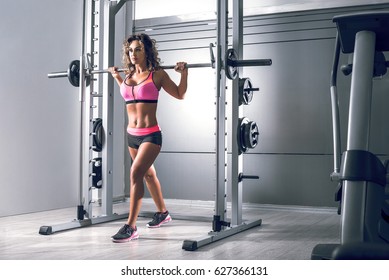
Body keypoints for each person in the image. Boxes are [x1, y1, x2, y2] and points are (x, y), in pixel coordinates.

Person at [108, 33, 188, 243]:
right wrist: (116, 77)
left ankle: (131, 226)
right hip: (131, 136)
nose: (133, 54)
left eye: (138, 49)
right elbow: (128, 95)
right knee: (148, 175)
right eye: (130, 50)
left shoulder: (157, 75)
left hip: (151, 135)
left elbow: (180, 94)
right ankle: (163, 213)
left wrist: (184, 73)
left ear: (147, 51)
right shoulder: (127, 76)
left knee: (135, 173)